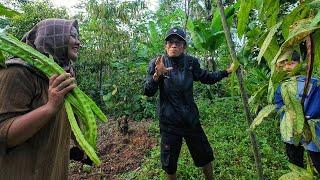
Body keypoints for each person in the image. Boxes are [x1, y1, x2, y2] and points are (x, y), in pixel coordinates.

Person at [144, 27, 236, 180]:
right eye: (171, 42)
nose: (174, 45)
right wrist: (156, 76)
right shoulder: (157, 63)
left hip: (190, 121)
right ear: (165, 45)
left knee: (205, 156)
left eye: (178, 42)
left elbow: (207, 77)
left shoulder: (191, 62)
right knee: (169, 164)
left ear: (184, 46)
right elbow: (148, 91)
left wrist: (226, 72)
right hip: (169, 124)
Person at [0, 19, 80, 179]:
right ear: (53, 36)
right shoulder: (16, 72)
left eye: (79, 37)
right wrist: (50, 107)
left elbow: (66, 122)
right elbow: (3, 134)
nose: (78, 42)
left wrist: (80, 143)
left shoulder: (63, 75)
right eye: (73, 36)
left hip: (52, 171)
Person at [274, 50, 320, 173]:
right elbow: (279, 107)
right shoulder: (281, 86)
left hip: (313, 129)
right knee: (296, 163)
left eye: (291, 63)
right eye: (283, 64)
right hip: (291, 130)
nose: (287, 67)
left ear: (300, 63)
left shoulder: (314, 83)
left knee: (317, 160)